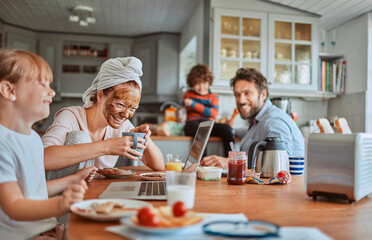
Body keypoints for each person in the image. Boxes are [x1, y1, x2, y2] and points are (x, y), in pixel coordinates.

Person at [0, 49, 90, 239]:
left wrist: (75, 179)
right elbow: (14, 205)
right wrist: (61, 204)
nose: (52, 91)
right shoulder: (2, 143)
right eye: (42, 84)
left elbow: (35, 190)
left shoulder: (32, 138)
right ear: (9, 90)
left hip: (44, 230)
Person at [42, 57, 164, 175]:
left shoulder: (122, 125)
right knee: (80, 137)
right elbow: (43, 158)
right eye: (120, 104)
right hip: (63, 194)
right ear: (100, 96)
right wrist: (108, 146)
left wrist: (145, 139)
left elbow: (159, 166)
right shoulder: (71, 116)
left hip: (95, 192)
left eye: (133, 108)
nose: (126, 115)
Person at [201, 68, 304, 169]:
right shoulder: (258, 120)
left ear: (263, 95)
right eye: (237, 94)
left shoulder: (273, 120)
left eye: (247, 93)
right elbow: (250, 133)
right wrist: (226, 130)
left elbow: (281, 162)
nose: (241, 100)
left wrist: (232, 162)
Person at [183, 64, 234, 157]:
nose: (201, 87)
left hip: (208, 124)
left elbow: (213, 113)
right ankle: (202, 162)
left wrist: (193, 104)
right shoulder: (188, 94)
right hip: (192, 124)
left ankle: (231, 159)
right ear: (192, 83)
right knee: (201, 129)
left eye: (204, 83)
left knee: (226, 128)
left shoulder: (213, 96)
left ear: (209, 82)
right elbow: (183, 111)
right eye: (197, 83)